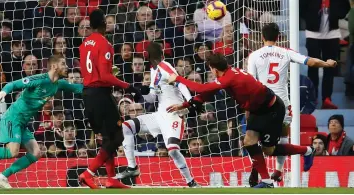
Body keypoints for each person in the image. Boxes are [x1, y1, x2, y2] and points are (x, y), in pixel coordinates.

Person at [167, 53, 316, 188]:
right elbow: (205, 95)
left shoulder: (230, 77)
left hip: (272, 110)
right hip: (257, 111)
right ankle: (267, 181)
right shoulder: (229, 74)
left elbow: (201, 89)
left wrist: (178, 78)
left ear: (213, 69)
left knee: (268, 150)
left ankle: (307, 151)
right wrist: (185, 104)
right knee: (249, 142)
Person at [0, 55, 83, 188]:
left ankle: (1, 177)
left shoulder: (59, 84)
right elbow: (13, 84)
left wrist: (100, 87)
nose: (67, 66)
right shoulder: (39, 79)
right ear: (54, 66)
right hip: (13, 117)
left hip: (23, 122)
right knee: (13, 152)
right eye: (63, 63)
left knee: (36, 153)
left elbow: (79, 88)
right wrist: (2, 93)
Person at [246, 23, 337, 182]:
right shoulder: (286, 52)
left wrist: (248, 106)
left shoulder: (254, 55)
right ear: (278, 37)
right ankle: (278, 170)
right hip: (282, 105)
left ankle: (258, 170)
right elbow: (311, 62)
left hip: (262, 105)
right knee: (281, 137)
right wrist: (327, 64)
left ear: (262, 37)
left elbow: (251, 83)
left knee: (253, 139)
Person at [116, 42, 200, 188]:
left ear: (147, 56)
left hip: (174, 114)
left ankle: (191, 182)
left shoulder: (165, 65)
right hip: (159, 115)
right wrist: (142, 91)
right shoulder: (153, 72)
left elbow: (180, 82)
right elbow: (152, 98)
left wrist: (190, 100)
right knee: (127, 126)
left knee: (173, 150)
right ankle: (132, 167)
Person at [78, 9, 140, 189]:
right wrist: (128, 86)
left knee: (108, 137)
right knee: (119, 135)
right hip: (100, 94)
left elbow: (94, 72)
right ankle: (88, 173)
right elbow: (105, 76)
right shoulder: (104, 44)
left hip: (88, 94)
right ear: (104, 24)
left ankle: (111, 179)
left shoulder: (84, 44)